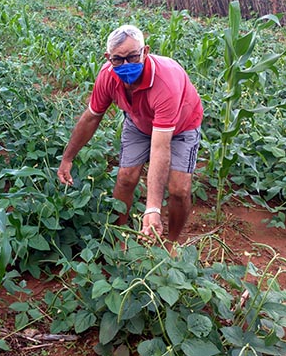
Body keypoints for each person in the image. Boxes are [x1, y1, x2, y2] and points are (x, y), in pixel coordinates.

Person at [57, 24, 203, 243]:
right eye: (118, 59)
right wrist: (67, 158)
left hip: (182, 126)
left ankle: (171, 243)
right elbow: (91, 117)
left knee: (179, 189)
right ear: (108, 58)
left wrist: (152, 207)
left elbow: (160, 147)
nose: (125, 65)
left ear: (145, 52)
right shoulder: (107, 76)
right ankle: (118, 240)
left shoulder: (165, 81)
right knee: (125, 178)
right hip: (139, 122)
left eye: (133, 57)